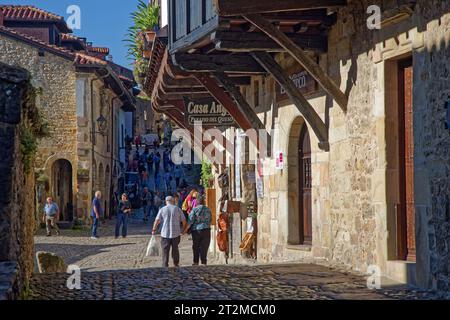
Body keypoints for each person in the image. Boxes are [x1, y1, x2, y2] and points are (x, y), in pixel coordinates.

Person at [152, 196, 188, 268]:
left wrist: (154, 229)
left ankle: (165, 264)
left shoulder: (162, 209)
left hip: (165, 233)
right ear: (173, 201)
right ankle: (176, 263)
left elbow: (157, 221)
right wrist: (183, 230)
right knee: (175, 249)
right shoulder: (177, 209)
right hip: (176, 233)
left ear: (166, 202)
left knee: (165, 250)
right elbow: (184, 221)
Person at [188, 196, 212, 266]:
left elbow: (190, 220)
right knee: (204, 246)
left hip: (196, 230)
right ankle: (203, 262)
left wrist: (185, 229)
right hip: (206, 229)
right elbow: (210, 219)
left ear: (197, 202)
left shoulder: (194, 209)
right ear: (203, 202)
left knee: (196, 246)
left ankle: (195, 262)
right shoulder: (208, 209)